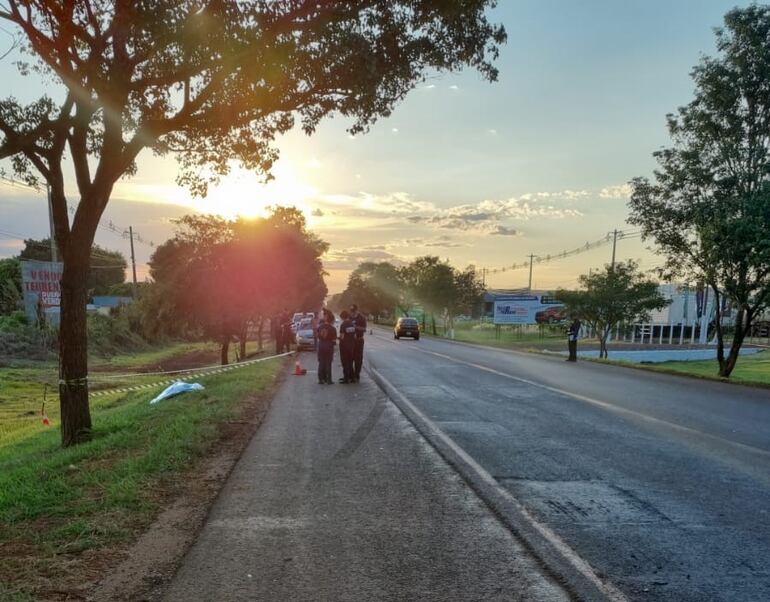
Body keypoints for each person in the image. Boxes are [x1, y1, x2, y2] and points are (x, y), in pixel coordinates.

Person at [316, 310, 337, 384]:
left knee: (321, 362)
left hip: (321, 345)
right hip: (329, 346)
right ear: (331, 321)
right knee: (328, 363)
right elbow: (334, 341)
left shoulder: (320, 327)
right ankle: (329, 380)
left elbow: (317, 336)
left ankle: (320, 379)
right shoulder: (333, 329)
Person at [349, 304, 367, 382]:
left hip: (359, 340)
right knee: (350, 358)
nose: (352, 313)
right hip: (350, 341)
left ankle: (357, 375)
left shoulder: (361, 318)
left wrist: (355, 327)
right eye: (351, 311)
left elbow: (364, 329)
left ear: (357, 310)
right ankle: (351, 376)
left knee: (358, 359)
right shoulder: (349, 318)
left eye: (353, 311)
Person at [338, 310, 356, 383]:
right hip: (351, 346)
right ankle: (352, 378)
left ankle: (346, 378)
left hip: (344, 346)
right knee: (350, 362)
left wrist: (338, 338)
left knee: (345, 362)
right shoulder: (352, 324)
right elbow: (354, 336)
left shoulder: (343, 324)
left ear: (342, 317)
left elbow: (342, 336)